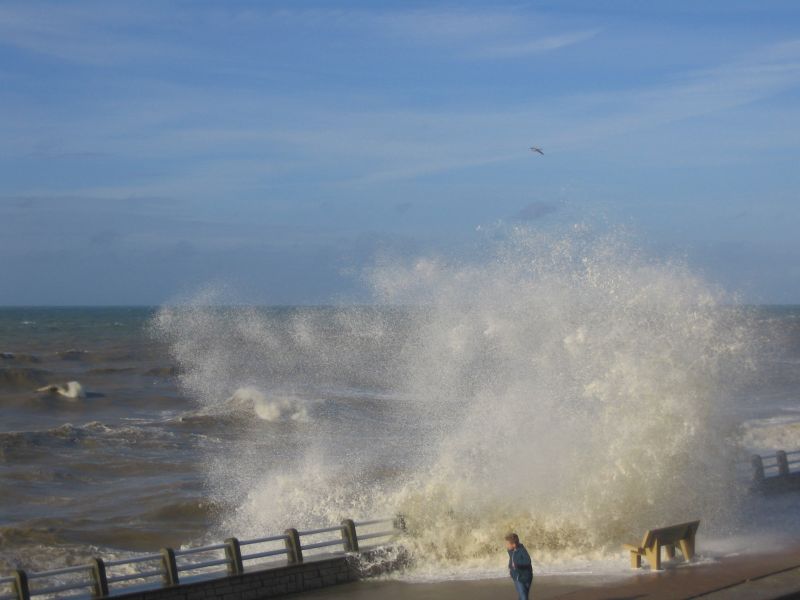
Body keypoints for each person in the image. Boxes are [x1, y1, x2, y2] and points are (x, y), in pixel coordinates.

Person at [505, 532, 533, 600]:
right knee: (524, 596)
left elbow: (528, 561)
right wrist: (511, 568)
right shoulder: (510, 550)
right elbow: (512, 559)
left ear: (514, 544)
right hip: (517, 577)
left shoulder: (522, 550)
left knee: (523, 595)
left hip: (527, 576)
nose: (506, 545)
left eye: (508, 544)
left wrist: (517, 564)